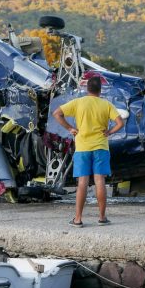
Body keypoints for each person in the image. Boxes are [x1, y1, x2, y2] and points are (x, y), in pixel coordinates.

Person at [53, 76, 124, 227]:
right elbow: (120, 123)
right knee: (100, 181)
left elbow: (57, 113)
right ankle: (102, 217)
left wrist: (70, 128)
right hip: (100, 147)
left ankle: (78, 219)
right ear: (100, 90)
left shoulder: (79, 102)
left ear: (87, 89)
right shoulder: (106, 104)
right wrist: (109, 132)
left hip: (82, 148)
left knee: (82, 183)